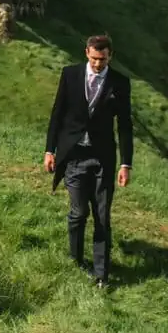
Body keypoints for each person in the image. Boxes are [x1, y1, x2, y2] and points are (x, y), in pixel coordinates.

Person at [43, 33, 132, 288]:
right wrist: (50, 150)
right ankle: (75, 260)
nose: (97, 64)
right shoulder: (70, 75)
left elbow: (125, 125)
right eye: (94, 59)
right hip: (74, 156)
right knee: (78, 212)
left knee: (102, 216)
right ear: (86, 53)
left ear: (110, 56)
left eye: (102, 60)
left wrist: (126, 163)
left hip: (103, 157)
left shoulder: (120, 82)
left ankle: (101, 274)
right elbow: (57, 114)